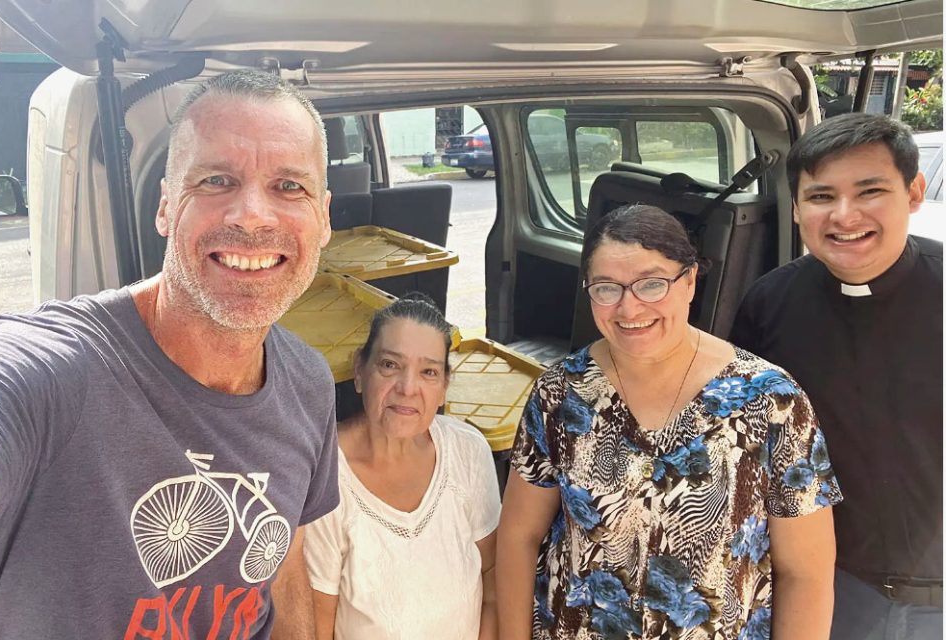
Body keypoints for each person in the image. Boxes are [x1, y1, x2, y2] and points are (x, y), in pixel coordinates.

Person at [0, 70, 339, 639]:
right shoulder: (45, 372)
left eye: (290, 187)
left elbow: (281, 562)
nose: (253, 216)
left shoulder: (308, 384)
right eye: (217, 180)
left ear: (324, 219)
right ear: (166, 208)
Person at [497, 204, 842, 640]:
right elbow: (517, 536)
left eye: (652, 284)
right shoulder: (561, 393)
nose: (629, 307)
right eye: (607, 288)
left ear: (690, 281)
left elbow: (806, 573)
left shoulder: (771, 400)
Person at [729, 113, 942, 639]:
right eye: (822, 197)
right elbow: (748, 448)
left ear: (913, 192)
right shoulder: (768, 304)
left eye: (869, 191)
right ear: (798, 208)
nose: (845, 216)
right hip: (833, 587)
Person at [304, 294, 500, 640]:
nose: (408, 388)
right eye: (390, 365)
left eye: (428, 372)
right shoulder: (325, 475)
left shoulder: (468, 451)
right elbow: (317, 626)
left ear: (443, 389)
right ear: (360, 370)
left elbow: (493, 579)